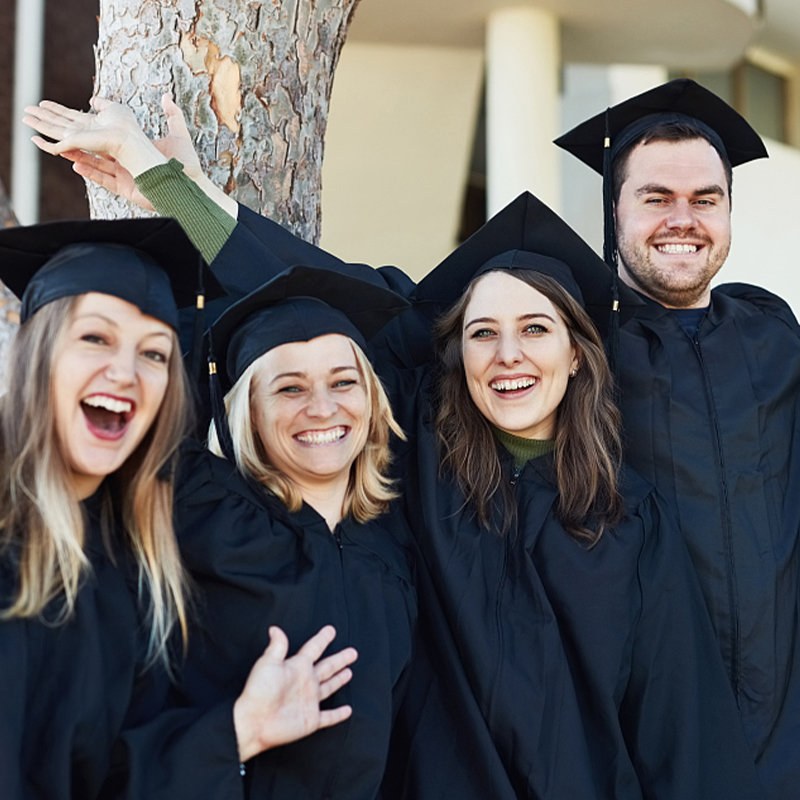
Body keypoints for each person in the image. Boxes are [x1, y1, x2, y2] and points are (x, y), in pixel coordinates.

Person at [24, 97, 765, 799]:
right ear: (456, 356)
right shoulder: (420, 454)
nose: (508, 354)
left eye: (536, 329)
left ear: (576, 353)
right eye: (481, 332)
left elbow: (682, 730)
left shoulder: (631, 518)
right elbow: (310, 290)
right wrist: (169, 185)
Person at [0, 218, 357, 800]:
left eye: (154, 353)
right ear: (36, 352)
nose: (125, 372)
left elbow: (107, 777)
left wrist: (237, 732)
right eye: (96, 338)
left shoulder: (138, 555)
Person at [556, 78, 800, 798]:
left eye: (705, 199)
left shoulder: (773, 335)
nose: (683, 220)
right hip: (641, 747)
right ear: (615, 211)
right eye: (656, 197)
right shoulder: (570, 347)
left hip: (784, 743)